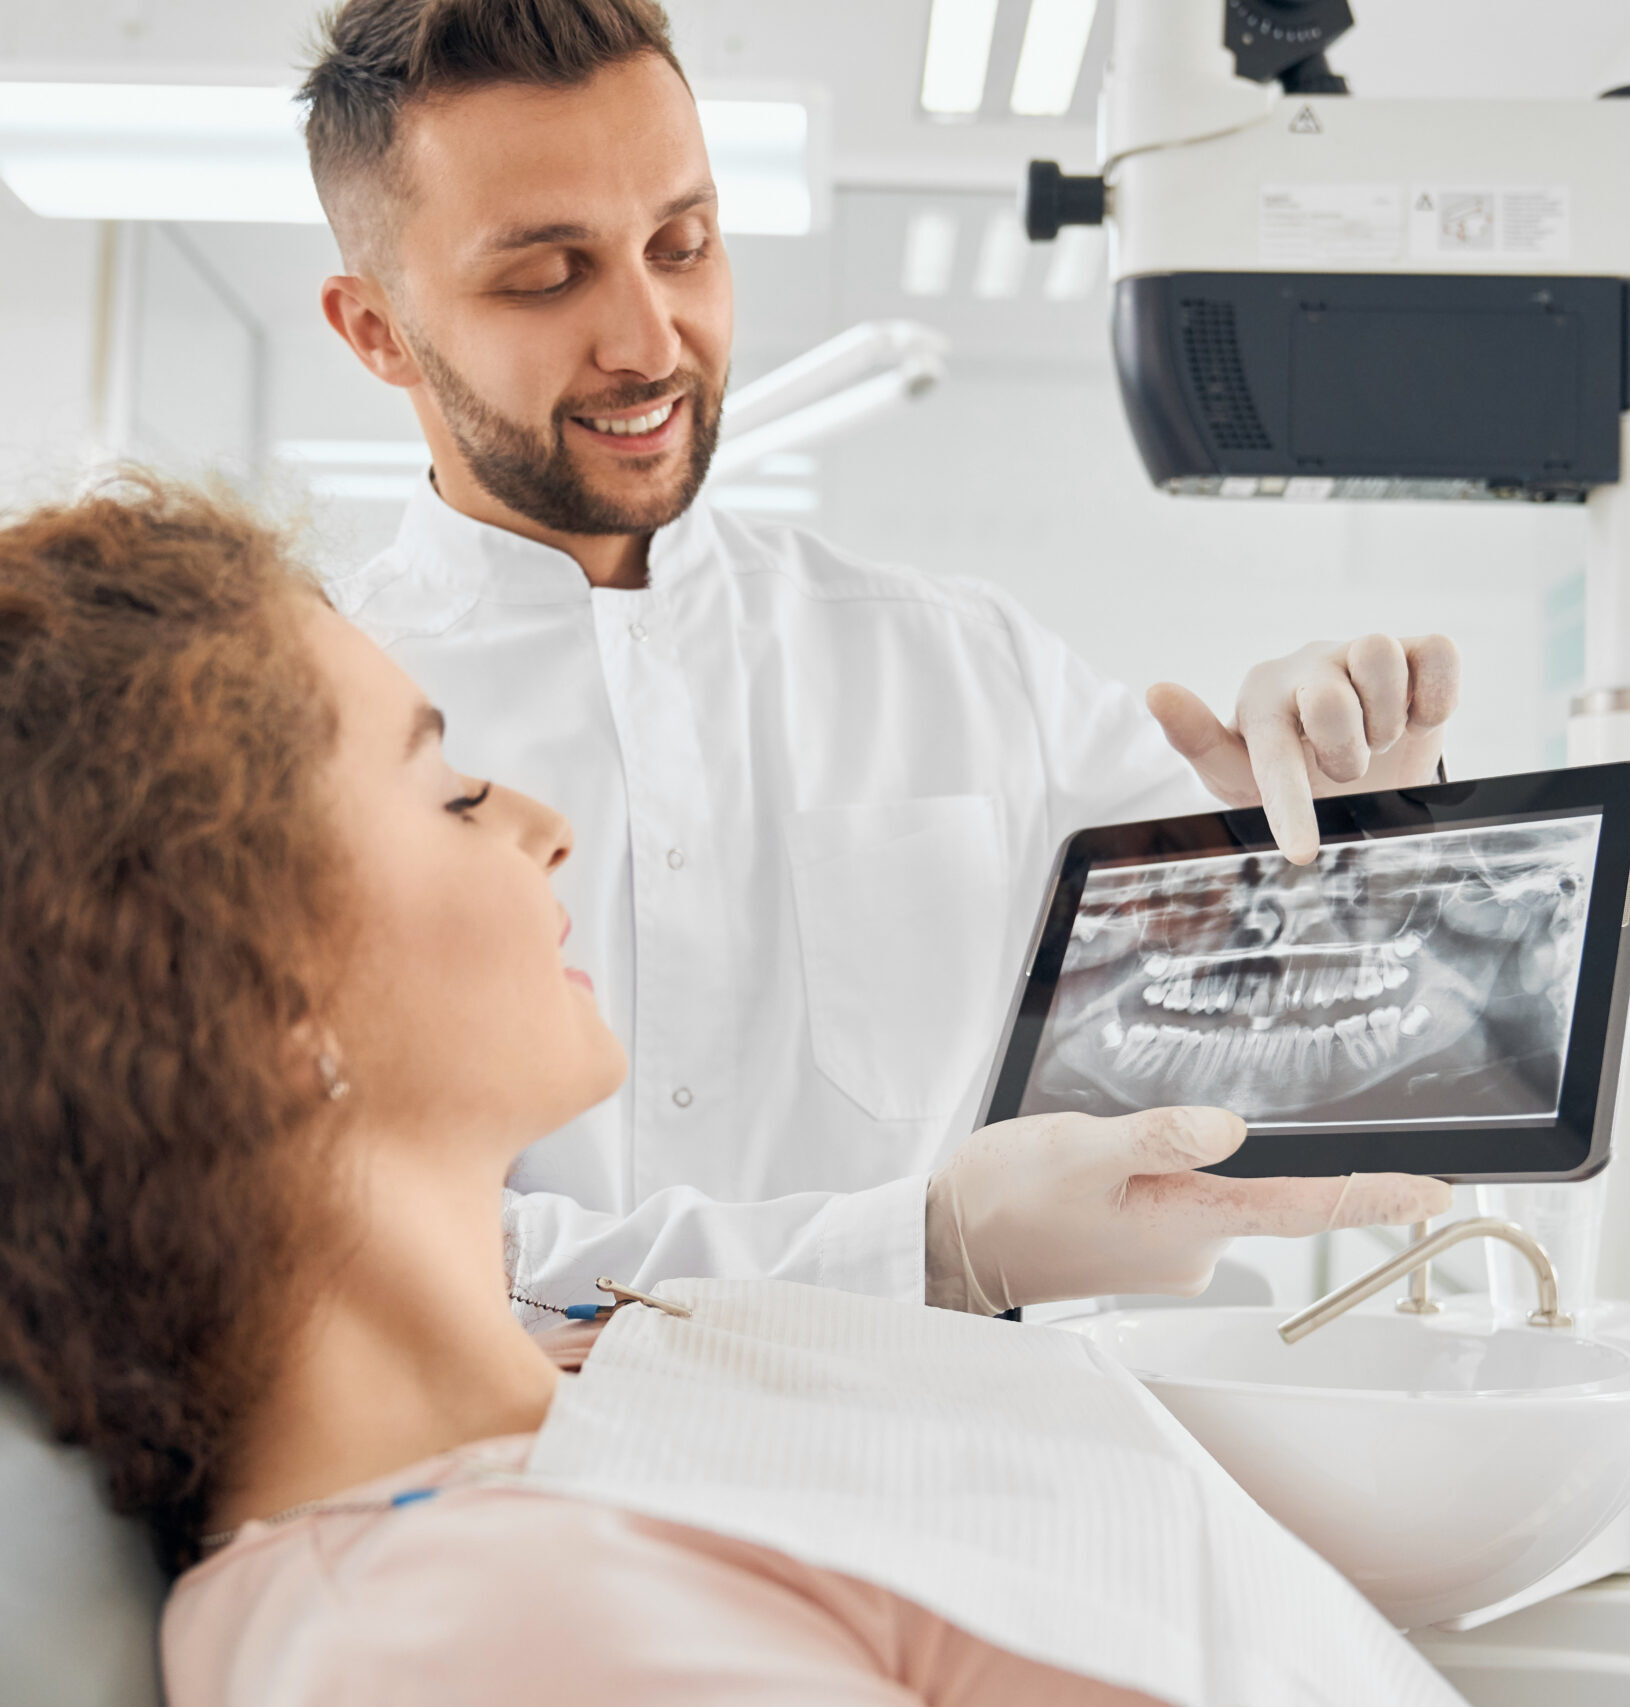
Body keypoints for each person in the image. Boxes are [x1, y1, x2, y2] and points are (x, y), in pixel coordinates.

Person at [0, 480, 1457, 1705]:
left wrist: (1326, 875)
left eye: (682, 252)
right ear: (256, 1000)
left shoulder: (618, 1371)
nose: (549, 827)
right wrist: (939, 1243)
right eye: (453, 794)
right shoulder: (479, 1632)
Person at [300, 0, 1463, 1316]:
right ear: (376, 329)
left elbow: (1303, 1058)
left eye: (682, 246)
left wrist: (1358, 845)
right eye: (546, 277)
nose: (650, 340)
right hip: (508, 1454)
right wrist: (920, 1250)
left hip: (950, 1447)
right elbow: (331, 1238)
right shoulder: (298, 730)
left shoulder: (966, 664)